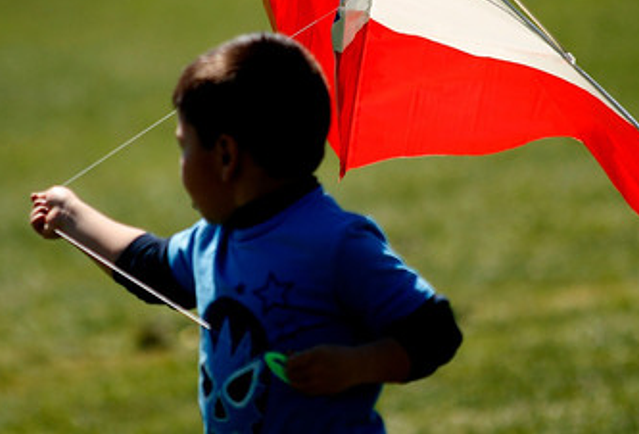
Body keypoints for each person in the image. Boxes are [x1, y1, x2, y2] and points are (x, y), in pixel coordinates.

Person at [30, 32, 462, 433]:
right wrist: (71, 216)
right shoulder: (212, 240)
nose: (180, 164)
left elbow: (435, 331)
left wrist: (358, 365)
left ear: (225, 155)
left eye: (184, 147)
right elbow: (154, 270)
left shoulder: (335, 243)